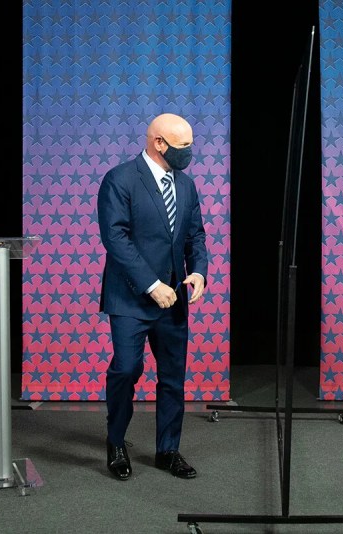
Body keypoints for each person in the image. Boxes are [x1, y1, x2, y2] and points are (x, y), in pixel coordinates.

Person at [97, 113, 208, 480]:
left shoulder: (187, 185)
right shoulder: (120, 180)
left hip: (174, 298)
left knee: (173, 377)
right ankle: (115, 442)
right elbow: (116, 238)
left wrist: (199, 271)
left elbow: (196, 235)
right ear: (158, 143)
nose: (189, 153)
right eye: (182, 147)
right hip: (131, 297)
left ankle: (168, 450)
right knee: (126, 369)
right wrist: (151, 284)